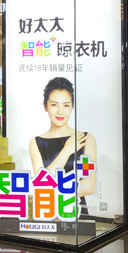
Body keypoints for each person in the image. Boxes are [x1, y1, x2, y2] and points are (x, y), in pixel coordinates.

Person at [29, 77, 97, 214]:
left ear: (71, 107)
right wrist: (67, 151)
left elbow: (89, 186)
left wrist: (53, 188)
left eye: (66, 105)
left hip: (77, 213)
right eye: (54, 105)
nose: (60, 112)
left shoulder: (86, 139)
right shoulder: (36, 142)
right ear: (45, 106)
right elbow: (41, 183)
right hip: (47, 211)